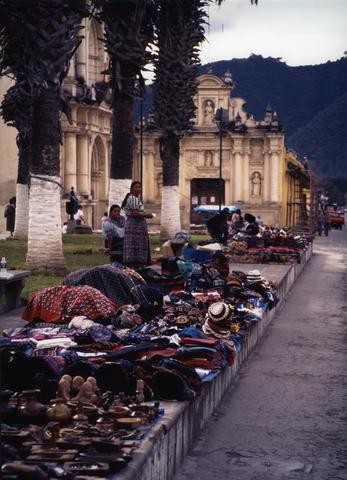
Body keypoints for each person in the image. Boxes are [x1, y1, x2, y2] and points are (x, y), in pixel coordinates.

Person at [121, 181, 153, 269]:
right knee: (137, 245)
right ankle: (136, 267)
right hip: (136, 225)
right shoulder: (133, 199)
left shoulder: (132, 198)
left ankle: (134, 266)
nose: (138, 189)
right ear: (131, 189)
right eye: (136, 187)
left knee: (133, 245)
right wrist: (147, 215)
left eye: (139, 187)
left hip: (132, 225)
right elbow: (135, 213)